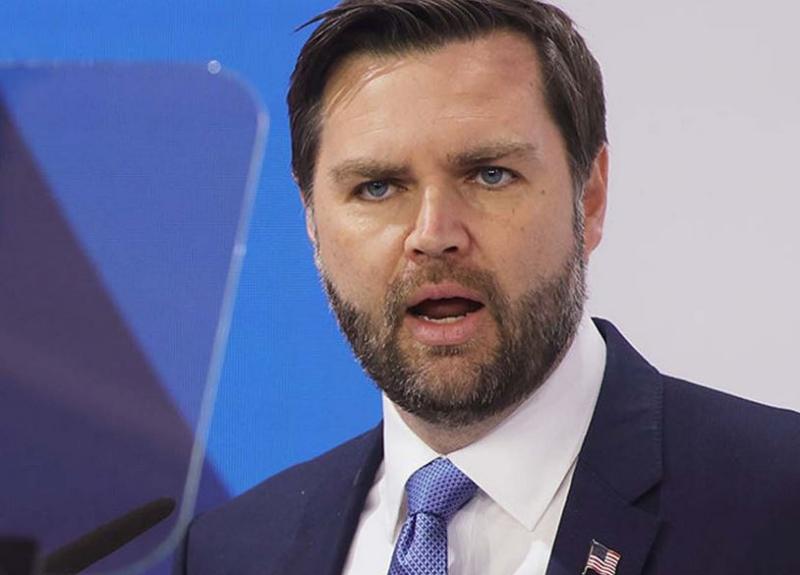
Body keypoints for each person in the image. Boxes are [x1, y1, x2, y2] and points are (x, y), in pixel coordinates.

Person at [174, 1, 800, 573]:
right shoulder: (230, 552)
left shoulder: (778, 501)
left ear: (590, 195)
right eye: (378, 187)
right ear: (312, 220)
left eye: (490, 174)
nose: (433, 234)